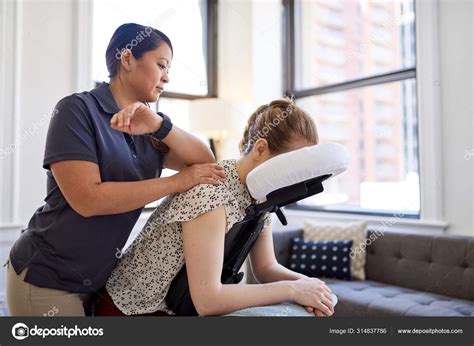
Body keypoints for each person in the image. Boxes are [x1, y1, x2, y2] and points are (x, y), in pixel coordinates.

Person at [6, 23, 225, 316]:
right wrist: (176, 183)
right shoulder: (76, 110)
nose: (167, 77)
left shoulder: (149, 125)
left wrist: (160, 125)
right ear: (126, 59)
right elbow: (88, 199)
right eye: (161, 65)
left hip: (97, 280)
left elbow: (203, 160)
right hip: (47, 277)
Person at [95, 99, 335, 317]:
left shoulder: (260, 197)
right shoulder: (211, 192)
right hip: (129, 310)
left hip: (175, 308)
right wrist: (293, 289)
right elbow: (208, 301)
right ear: (260, 150)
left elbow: (266, 268)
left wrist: (313, 288)